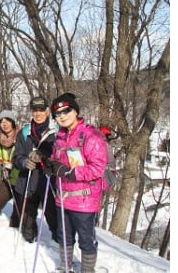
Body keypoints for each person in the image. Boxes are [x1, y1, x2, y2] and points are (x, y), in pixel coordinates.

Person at [44, 92, 108, 273]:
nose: (62, 116)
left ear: (76, 111)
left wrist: (69, 172)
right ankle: (66, 267)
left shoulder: (90, 135)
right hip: (63, 198)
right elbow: (58, 162)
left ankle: (87, 270)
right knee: (64, 237)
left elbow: (98, 169)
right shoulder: (60, 137)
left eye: (67, 111)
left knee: (86, 239)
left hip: (84, 200)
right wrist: (51, 166)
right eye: (58, 114)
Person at [12, 96, 58, 242]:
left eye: (41, 110)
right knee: (27, 227)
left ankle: (61, 248)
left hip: (48, 183)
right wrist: (24, 161)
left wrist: (44, 156)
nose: (38, 114)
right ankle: (30, 241)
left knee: (55, 221)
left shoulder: (56, 132)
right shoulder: (24, 132)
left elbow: (60, 156)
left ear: (47, 111)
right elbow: (16, 157)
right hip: (27, 182)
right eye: (35, 110)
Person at [0, 110, 20, 222]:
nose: (4, 124)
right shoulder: (1, 139)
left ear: (12, 122)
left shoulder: (21, 136)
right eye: (1, 122)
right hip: (7, 175)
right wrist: (0, 165)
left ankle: (18, 224)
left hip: (20, 175)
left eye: (7, 121)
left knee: (21, 205)